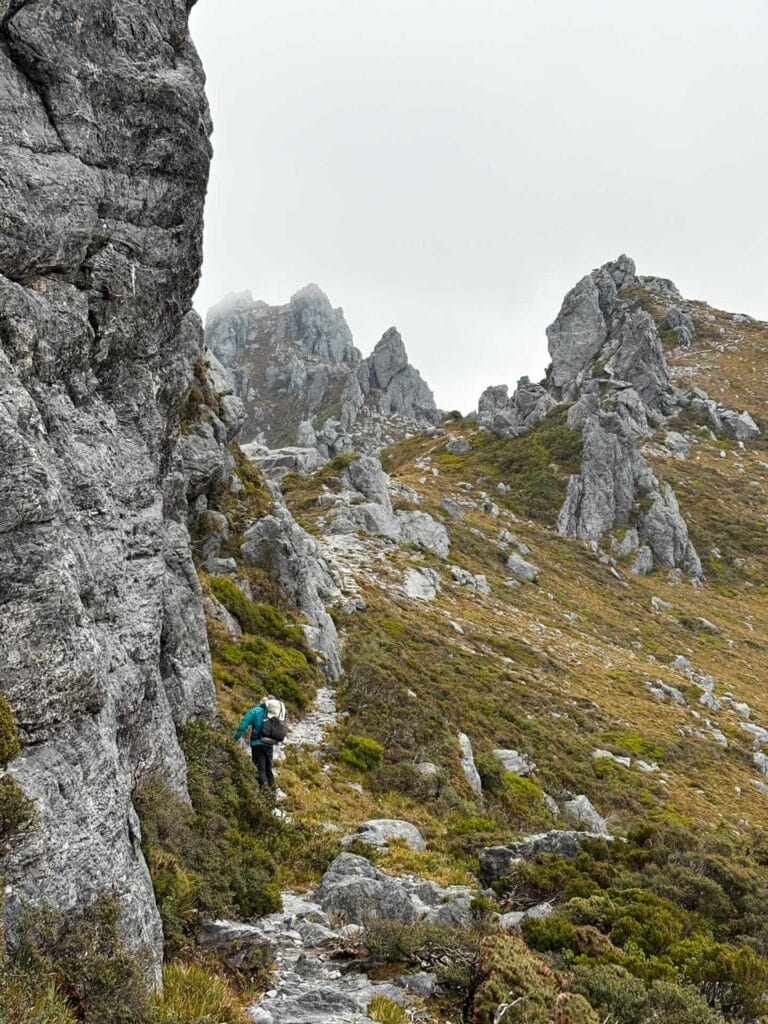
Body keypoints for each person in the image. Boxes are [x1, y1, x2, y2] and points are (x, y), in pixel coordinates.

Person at [234, 696, 286, 789]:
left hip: (257, 744)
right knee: (268, 768)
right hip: (269, 743)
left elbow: (243, 726)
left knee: (259, 768)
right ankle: (272, 791)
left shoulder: (255, 711)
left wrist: (233, 740)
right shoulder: (274, 714)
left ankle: (263, 793)